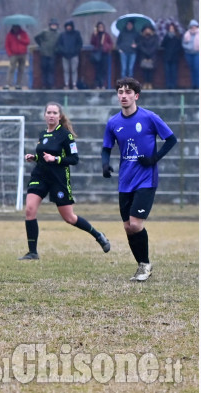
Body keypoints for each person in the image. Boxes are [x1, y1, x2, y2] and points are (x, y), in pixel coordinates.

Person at [101, 77, 177, 281]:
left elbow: (171, 139)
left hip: (146, 179)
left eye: (127, 92)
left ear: (136, 96)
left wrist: (154, 158)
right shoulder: (113, 122)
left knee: (135, 224)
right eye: (120, 92)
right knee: (128, 227)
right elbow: (106, 148)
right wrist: (105, 164)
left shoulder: (149, 117)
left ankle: (145, 265)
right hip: (125, 180)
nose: (123, 96)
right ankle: (142, 266)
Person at [19, 102, 110, 260]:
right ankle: (32, 252)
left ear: (60, 116)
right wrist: (34, 157)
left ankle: (98, 235)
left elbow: (74, 159)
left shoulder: (65, 135)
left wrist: (56, 158)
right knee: (29, 210)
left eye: (55, 113)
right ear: (45, 115)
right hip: (39, 176)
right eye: (49, 112)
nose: (51, 115)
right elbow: (43, 156)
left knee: (69, 218)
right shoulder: (42, 134)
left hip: (58, 179)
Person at [55, 20, 83, 90]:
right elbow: (59, 45)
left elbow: (79, 44)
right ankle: (66, 84)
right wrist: (63, 51)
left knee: (74, 70)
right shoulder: (62, 35)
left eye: (70, 26)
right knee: (66, 70)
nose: (68, 27)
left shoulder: (76, 34)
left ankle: (74, 84)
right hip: (64, 55)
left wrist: (76, 51)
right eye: (67, 26)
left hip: (74, 55)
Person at [34, 18, 60, 89]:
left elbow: (60, 43)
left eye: (55, 25)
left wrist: (57, 49)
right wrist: (41, 44)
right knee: (44, 70)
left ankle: (50, 85)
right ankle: (44, 85)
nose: (54, 26)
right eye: (52, 25)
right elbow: (36, 37)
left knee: (51, 70)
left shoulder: (58, 34)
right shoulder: (45, 32)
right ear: (50, 25)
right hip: (44, 53)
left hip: (52, 54)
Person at [4, 24, 30, 90]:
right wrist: (9, 53)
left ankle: (18, 84)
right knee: (11, 69)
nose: (15, 29)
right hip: (13, 54)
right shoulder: (9, 35)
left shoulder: (23, 33)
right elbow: (7, 45)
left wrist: (20, 39)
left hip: (22, 54)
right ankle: (8, 83)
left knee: (21, 69)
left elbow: (27, 42)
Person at [89, 21, 114, 89]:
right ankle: (97, 84)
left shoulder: (106, 35)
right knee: (97, 70)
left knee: (104, 70)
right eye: (99, 27)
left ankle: (103, 84)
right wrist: (94, 35)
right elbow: (92, 42)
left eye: (102, 27)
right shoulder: (95, 35)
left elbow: (111, 44)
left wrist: (107, 47)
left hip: (105, 54)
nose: (101, 28)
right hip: (97, 54)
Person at [161, 22, 183, 89]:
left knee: (174, 72)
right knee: (167, 72)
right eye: (170, 28)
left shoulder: (177, 37)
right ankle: (168, 84)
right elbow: (162, 45)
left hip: (174, 57)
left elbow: (180, 47)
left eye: (172, 28)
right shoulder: (166, 36)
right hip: (167, 56)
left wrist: (176, 52)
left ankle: (174, 84)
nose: (171, 29)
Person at [137, 25, 159, 89]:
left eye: (149, 29)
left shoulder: (155, 37)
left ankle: (150, 83)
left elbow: (155, 46)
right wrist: (146, 53)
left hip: (152, 56)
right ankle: (145, 83)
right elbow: (140, 46)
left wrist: (149, 53)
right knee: (144, 71)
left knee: (151, 71)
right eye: (146, 29)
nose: (147, 31)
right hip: (143, 56)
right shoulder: (141, 37)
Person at [182, 19, 199, 88]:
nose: (193, 27)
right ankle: (193, 84)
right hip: (188, 53)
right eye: (192, 26)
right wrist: (188, 47)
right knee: (191, 69)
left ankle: (198, 84)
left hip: (197, 53)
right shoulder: (186, 34)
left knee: (197, 68)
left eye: (195, 26)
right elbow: (183, 44)